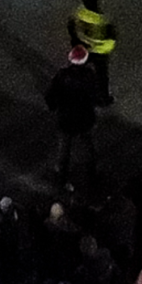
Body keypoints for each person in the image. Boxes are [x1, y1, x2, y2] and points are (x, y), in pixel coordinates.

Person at [46, 46, 104, 189]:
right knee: (88, 148)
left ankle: (61, 178)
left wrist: (54, 107)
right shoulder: (90, 76)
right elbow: (97, 97)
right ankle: (91, 177)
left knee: (64, 149)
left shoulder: (62, 76)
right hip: (84, 119)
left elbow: (50, 96)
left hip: (66, 119)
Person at [70, 0, 118, 105]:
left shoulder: (79, 13)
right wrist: (107, 48)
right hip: (100, 51)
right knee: (102, 75)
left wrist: (76, 41)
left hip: (83, 48)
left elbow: (71, 27)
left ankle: (72, 91)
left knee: (77, 70)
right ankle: (104, 98)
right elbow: (112, 37)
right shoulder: (103, 19)